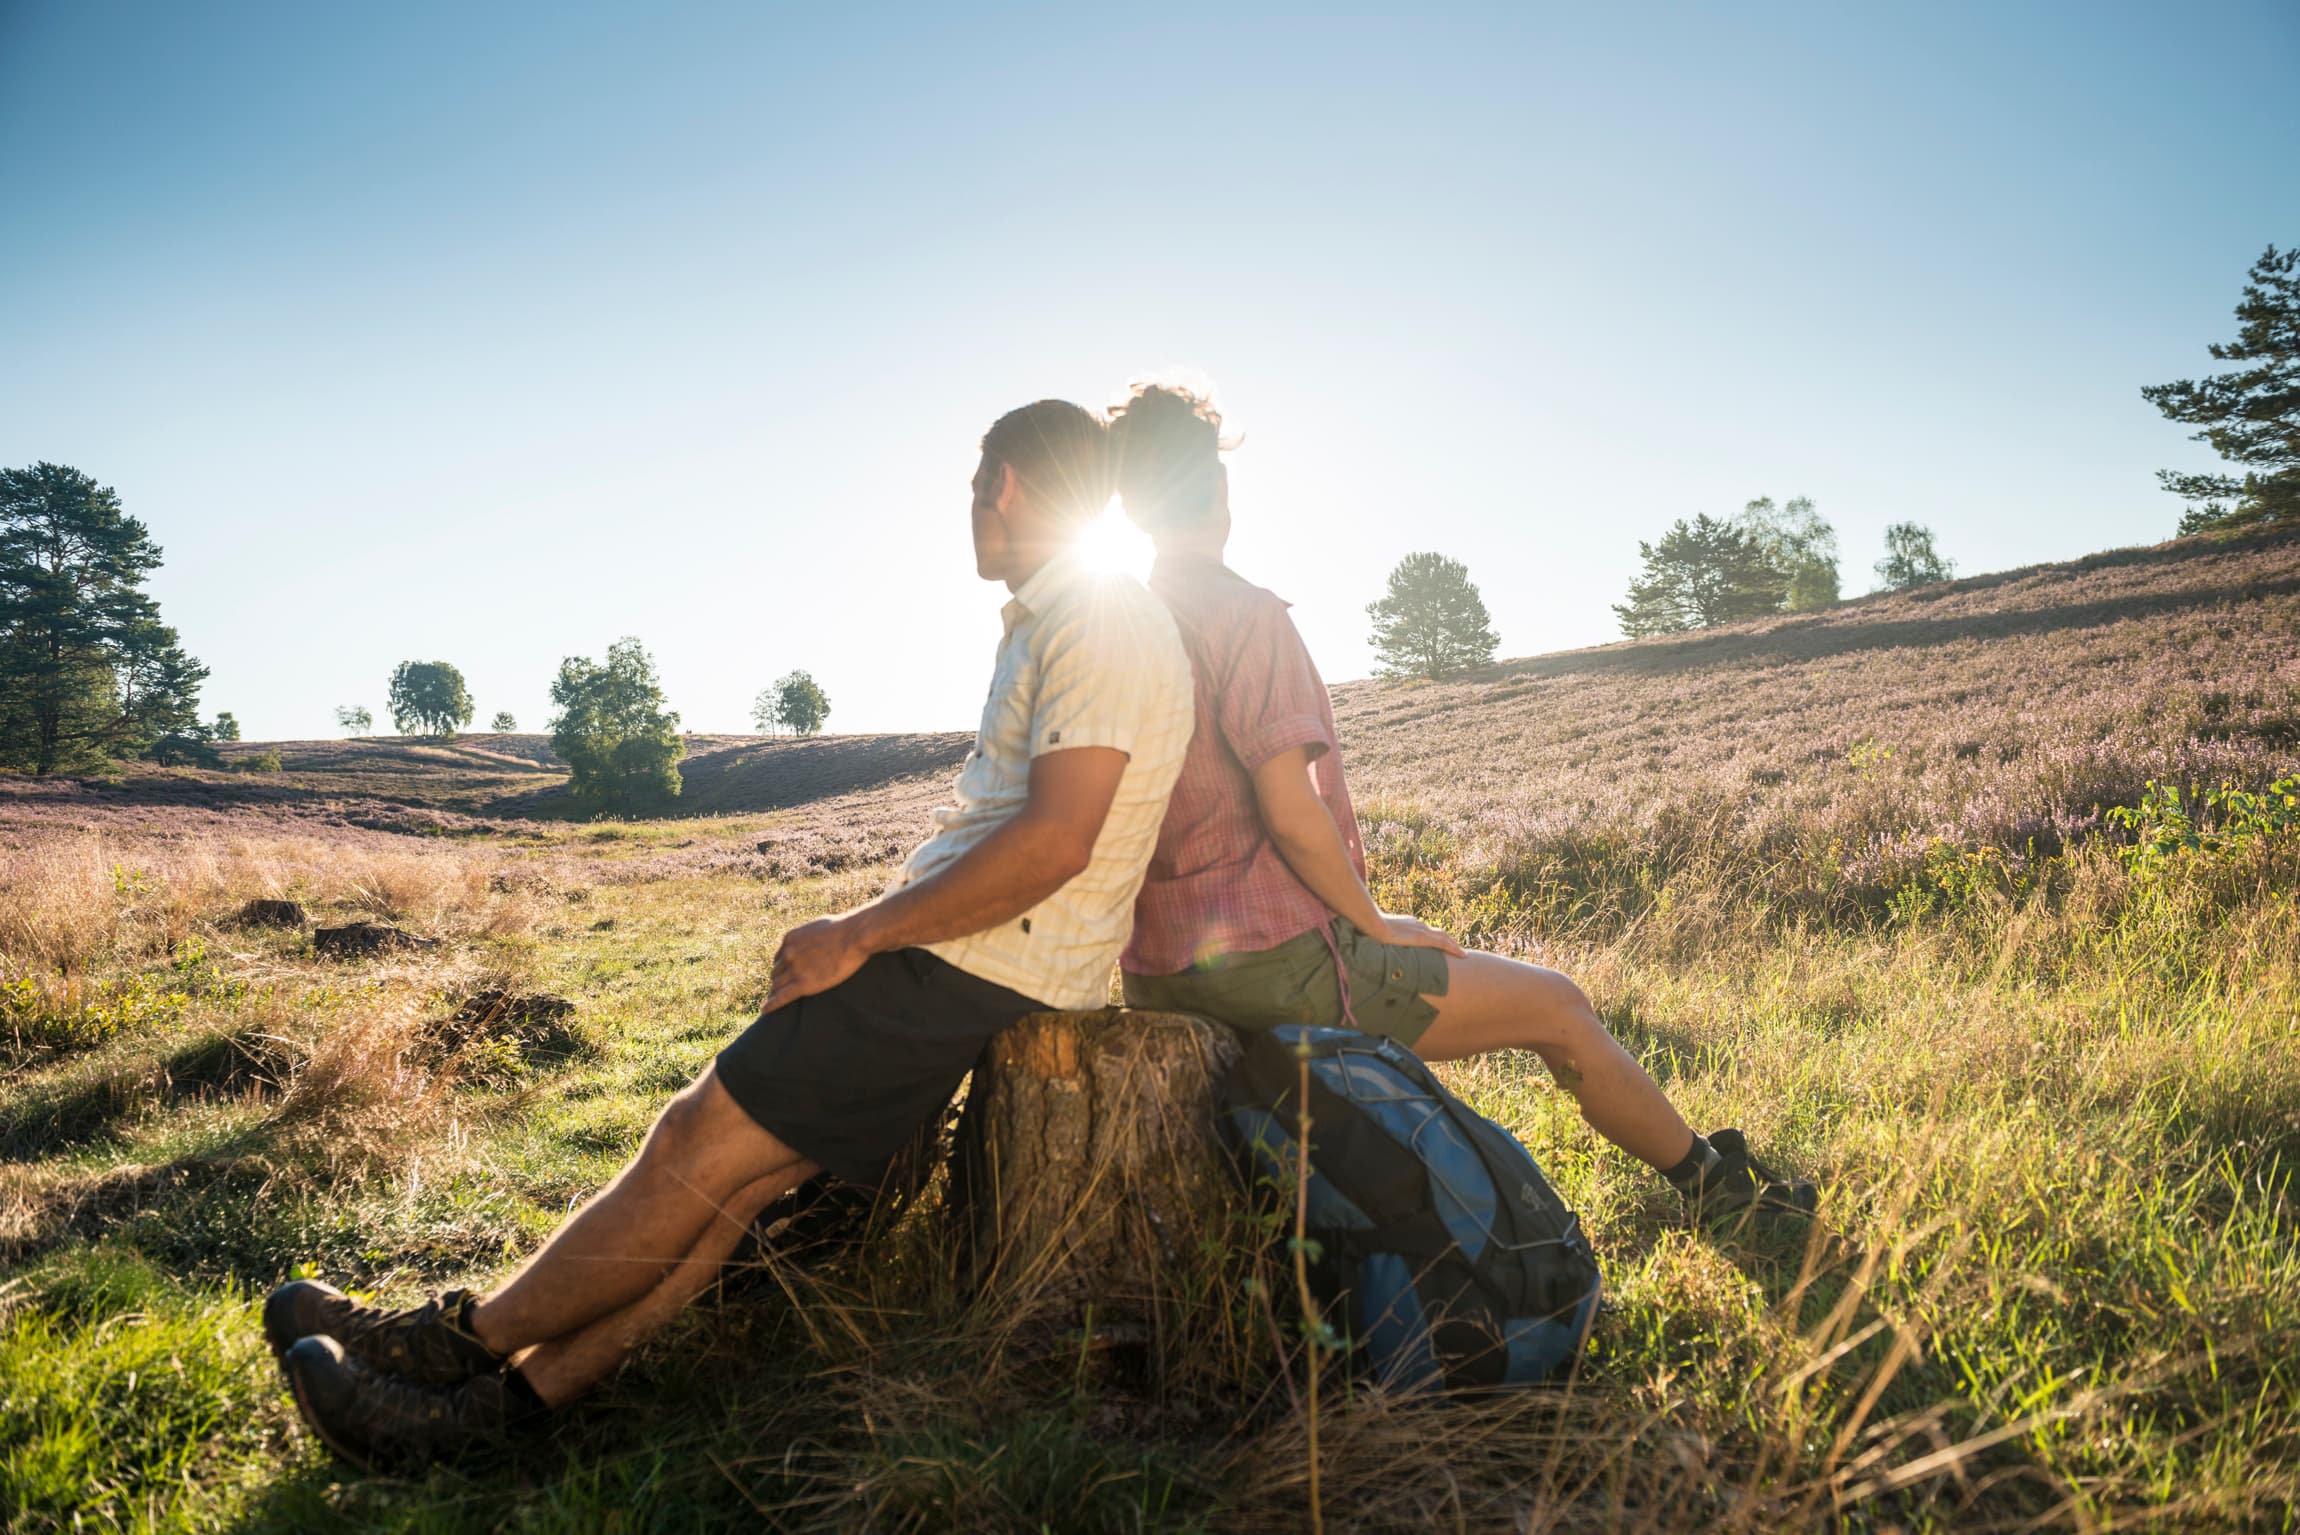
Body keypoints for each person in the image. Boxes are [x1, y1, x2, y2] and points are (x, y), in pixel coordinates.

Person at [265, 399, 1196, 1470]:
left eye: (975, 488)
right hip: (982, 960)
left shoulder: (1097, 615)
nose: (972, 514)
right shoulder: (1073, 615)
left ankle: (440, 1347)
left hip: (961, 962)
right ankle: (503, 1413)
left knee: (690, 1146)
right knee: (730, 1186)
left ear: (1010, 485)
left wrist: (858, 933)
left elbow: (1054, 841)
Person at [1107, 381, 1814, 1223]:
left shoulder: (1117, 625)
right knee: (1557, 1005)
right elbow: (1291, 812)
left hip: (1158, 973)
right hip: (1281, 966)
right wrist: (1373, 922)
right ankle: (1720, 1193)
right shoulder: (1245, 616)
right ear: (1218, 493)